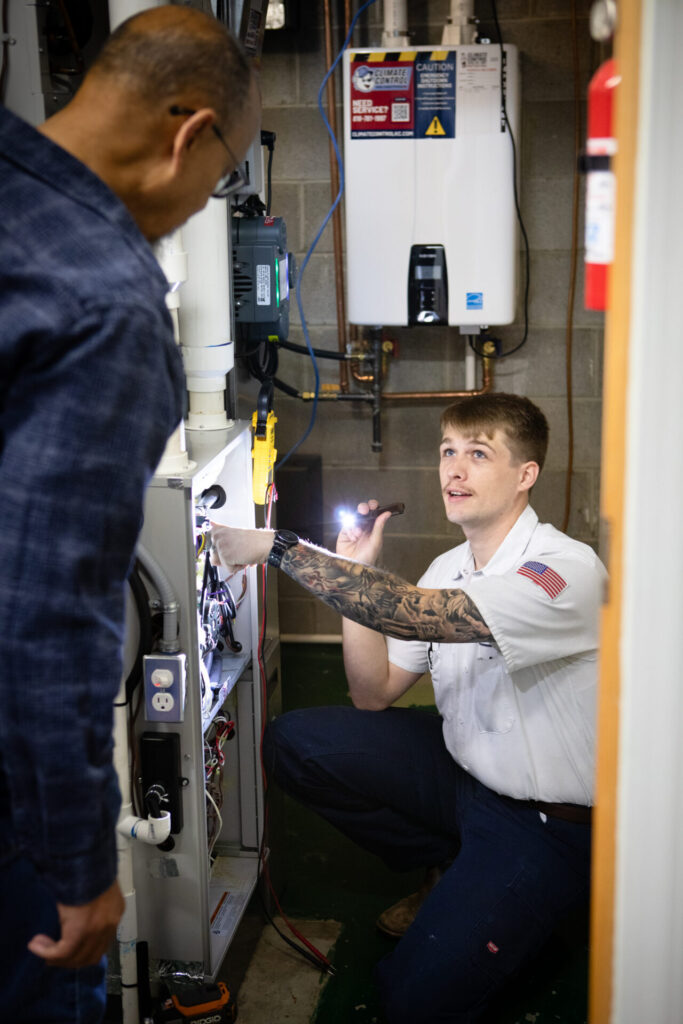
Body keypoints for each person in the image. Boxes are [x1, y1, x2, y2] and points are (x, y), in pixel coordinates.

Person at [0, 7, 260, 1022]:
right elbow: (41, 615)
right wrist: (77, 863)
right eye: (220, 178)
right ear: (186, 135)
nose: (203, 202)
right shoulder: (105, 306)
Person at [210, 393, 606, 1023]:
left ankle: (515, 901)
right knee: (296, 743)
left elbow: (406, 611)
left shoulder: (562, 570)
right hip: (463, 777)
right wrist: (355, 570)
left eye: (479, 454)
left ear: (525, 474)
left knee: (411, 1001)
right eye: (448, 451)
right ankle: (447, 865)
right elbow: (374, 691)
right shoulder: (447, 566)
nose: (454, 469)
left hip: (543, 821)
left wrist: (280, 549)